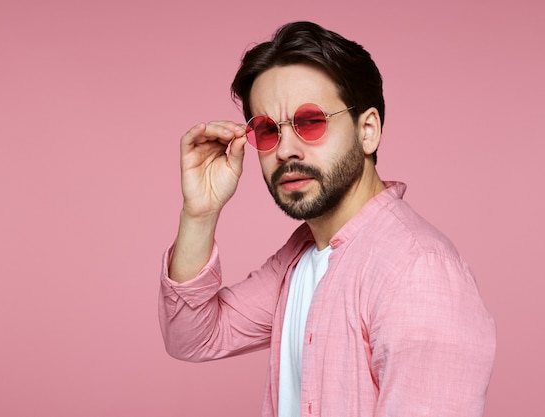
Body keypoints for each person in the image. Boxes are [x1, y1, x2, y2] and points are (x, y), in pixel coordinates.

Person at [159, 21, 496, 417]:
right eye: (268, 130)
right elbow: (192, 338)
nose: (285, 150)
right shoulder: (302, 256)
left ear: (367, 130)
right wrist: (200, 212)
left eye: (310, 122)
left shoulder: (417, 271)